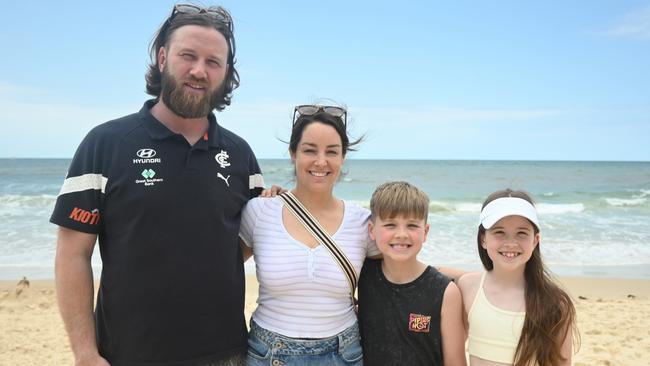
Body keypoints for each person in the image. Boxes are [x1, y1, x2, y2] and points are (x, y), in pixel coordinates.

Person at [50, 4, 264, 366]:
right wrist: (85, 353)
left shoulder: (240, 155)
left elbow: (250, 240)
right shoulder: (106, 144)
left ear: (226, 73)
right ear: (163, 58)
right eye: (188, 56)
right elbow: (73, 255)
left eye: (213, 62)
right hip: (129, 354)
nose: (199, 70)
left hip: (227, 354)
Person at [238, 104, 380, 365]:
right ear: (293, 153)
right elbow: (221, 272)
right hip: (268, 354)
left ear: (343, 157)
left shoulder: (363, 223)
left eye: (332, 152)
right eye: (309, 150)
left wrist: (469, 280)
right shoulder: (259, 212)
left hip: (343, 354)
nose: (320, 161)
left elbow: (404, 271)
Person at [457, 189, 578, 366]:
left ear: (536, 240)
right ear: (483, 239)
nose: (511, 243)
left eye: (522, 233)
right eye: (499, 232)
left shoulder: (556, 303)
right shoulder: (467, 287)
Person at [357, 181, 467, 366]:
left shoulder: (445, 291)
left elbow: (455, 361)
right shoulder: (363, 274)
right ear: (371, 230)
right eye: (390, 225)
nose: (401, 234)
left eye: (412, 226)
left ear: (425, 232)